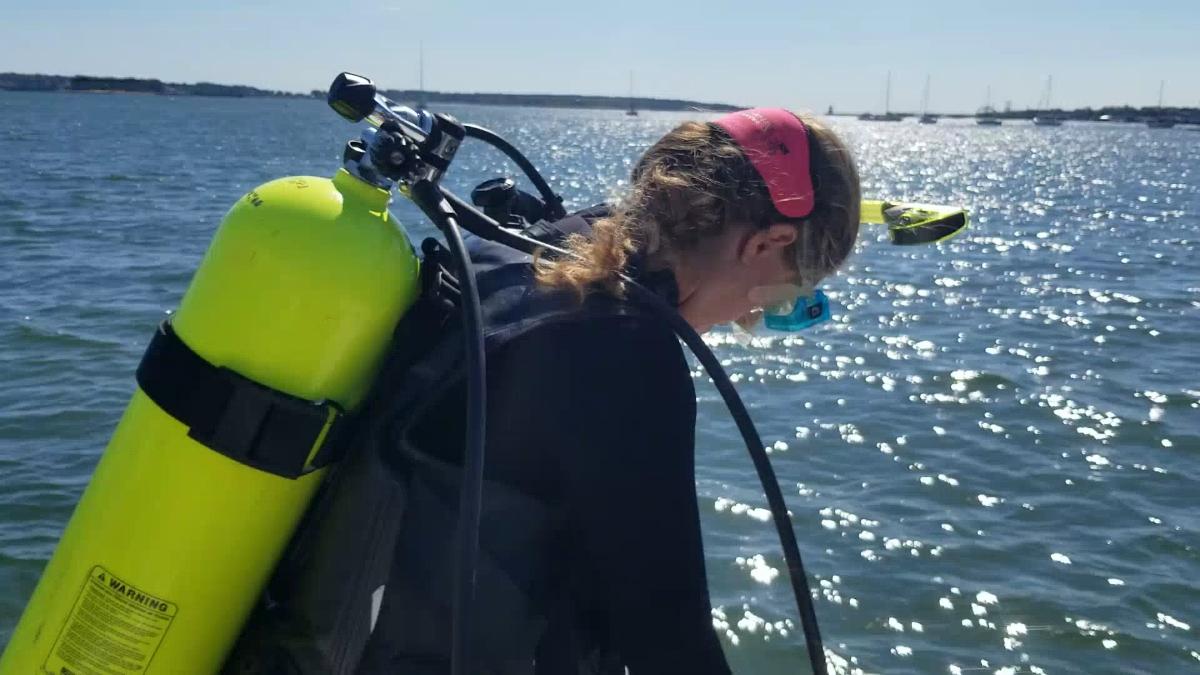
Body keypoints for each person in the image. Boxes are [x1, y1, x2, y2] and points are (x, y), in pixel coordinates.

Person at [226, 108, 860, 674]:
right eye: (781, 299)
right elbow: (669, 639)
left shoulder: (517, 251)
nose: (751, 320)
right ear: (765, 242)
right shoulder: (623, 350)